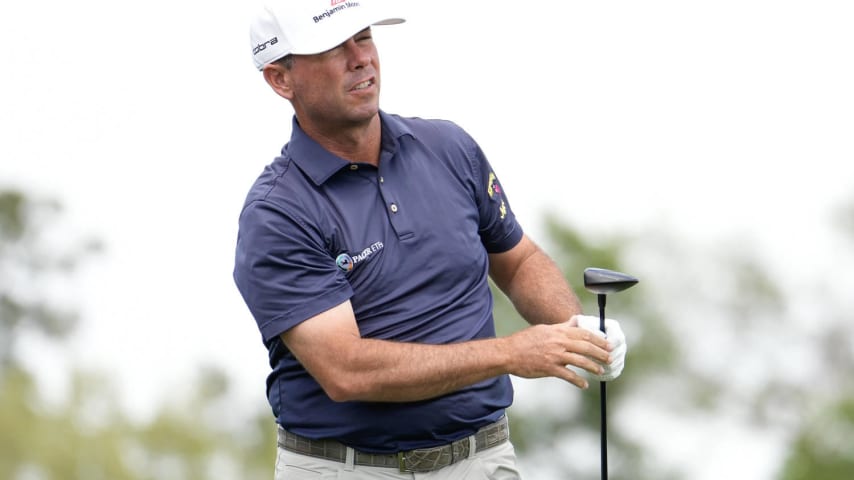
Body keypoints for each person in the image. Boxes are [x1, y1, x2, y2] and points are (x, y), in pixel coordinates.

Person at [233, 1, 629, 478]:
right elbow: (348, 371)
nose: (360, 58)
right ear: (281, 79)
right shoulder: (277, 213)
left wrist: (577, 329)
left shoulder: (448, 148)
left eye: (364, 38)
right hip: (347, 468)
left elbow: (518, 260)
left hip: (483, 459)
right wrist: (512, 352)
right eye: (333, 48)